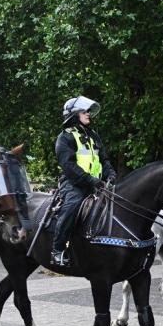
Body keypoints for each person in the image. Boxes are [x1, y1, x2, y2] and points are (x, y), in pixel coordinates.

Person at [51, 95, 115, 267]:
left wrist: (110, 175)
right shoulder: (65, 138)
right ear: (74, 114)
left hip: (98, 184)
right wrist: (90, 181)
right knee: (72, 206)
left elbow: (104, 159)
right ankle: (57, 250)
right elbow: (69, 166)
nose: (88, 114)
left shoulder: (94, 135)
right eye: (84, 111)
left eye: (88, 111)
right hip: (75, 184)